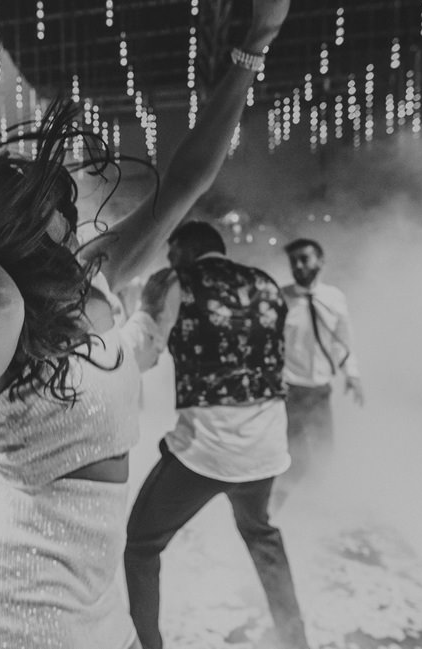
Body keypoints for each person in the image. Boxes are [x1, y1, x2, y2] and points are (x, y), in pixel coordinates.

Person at [0, 0, 296, 647]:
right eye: (52, 214)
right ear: (7, 230)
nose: (72, 221)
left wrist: (256, 44)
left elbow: (189, 177)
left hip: (88, 586)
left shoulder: (86, 275)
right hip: (9, 596)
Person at [124, 221, 309, 649]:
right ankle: (296, 641)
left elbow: (143, 353)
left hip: (207, 451)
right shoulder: (265, 282)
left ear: (187, 250)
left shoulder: (176, 283)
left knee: (140, 546)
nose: (169, 261)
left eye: (172, 253)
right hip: (266, 446)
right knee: (261, 533)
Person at [277, 238, 362, 499]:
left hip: (320, 390)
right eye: (294, 261)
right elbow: (270, 343)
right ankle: (282, 503)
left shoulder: (334, 298)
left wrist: (352, 375)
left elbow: (342, 342)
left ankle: (316, 501)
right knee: (293, 453)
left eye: (305, 259)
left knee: (325, 450)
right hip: (289, 390)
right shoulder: (281, 298)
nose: (299, 266)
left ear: (320, 261)